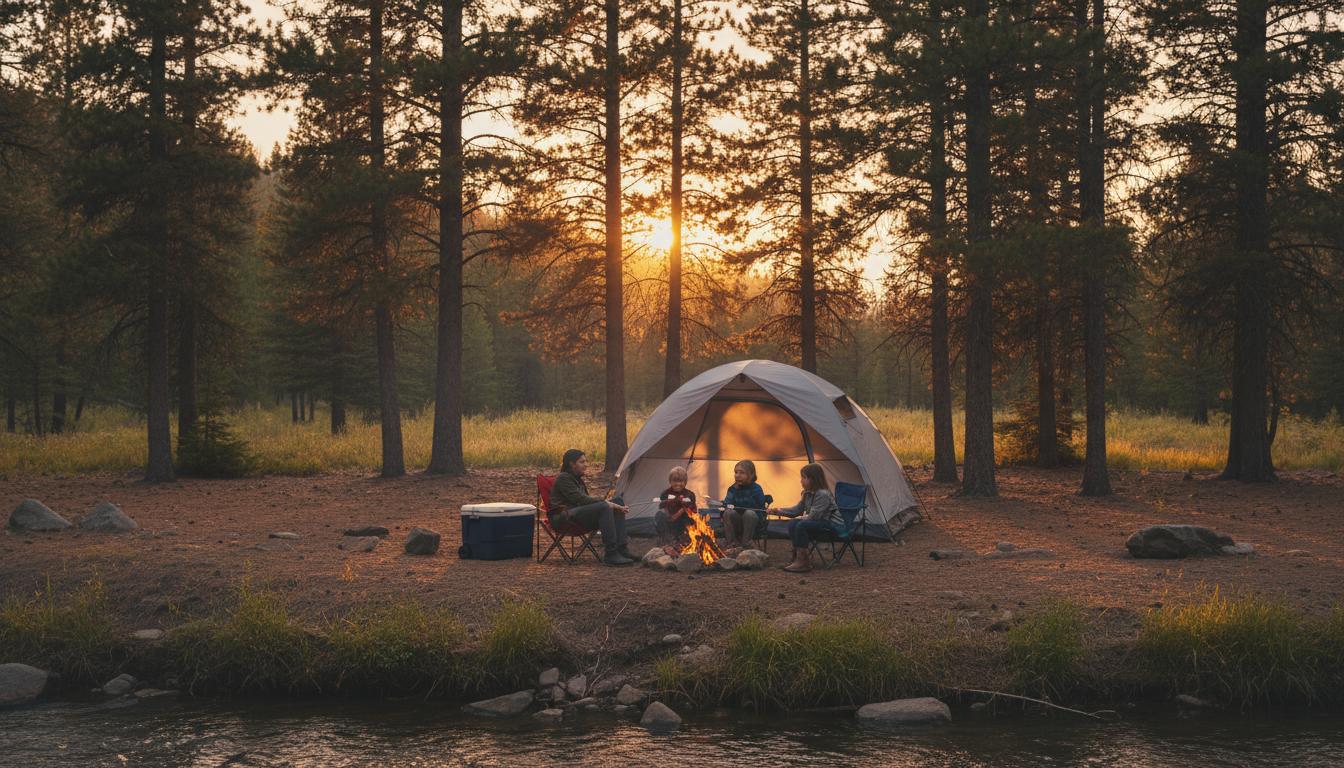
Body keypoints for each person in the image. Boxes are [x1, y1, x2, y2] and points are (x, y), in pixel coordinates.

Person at [549, 448, 634, 566]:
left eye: (585, 461)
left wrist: (611, 504)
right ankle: (611, 554)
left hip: (576, 515)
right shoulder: (564, 478)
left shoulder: (576, 479)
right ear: (572, 464)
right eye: (582, 462)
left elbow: (586, 502)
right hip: (564, 518)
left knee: (618, 501)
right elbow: (581, 500)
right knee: (604, 507)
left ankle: (622, 549)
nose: (586, 465)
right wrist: (607, 503)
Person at [768, 463, 838, 573]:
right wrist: (778, 511)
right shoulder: (807, 493)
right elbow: (796, 510)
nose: (801, 480)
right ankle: (798, 558)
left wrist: (801, 519)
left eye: (804, 477)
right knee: (792, 523)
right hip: (816, 523)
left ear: (813, 479)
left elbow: (815, 516)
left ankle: (803, 561)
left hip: (830, 526)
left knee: (801, 524)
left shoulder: (822, 494)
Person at [721, 460, 767, 554]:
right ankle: (732, 544)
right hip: (737, 521)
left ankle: (746, 543)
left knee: (749, 513)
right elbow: (727, 504)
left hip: (753, 522)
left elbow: (759, 508)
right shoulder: (732, 489)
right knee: (728, 512)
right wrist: (725, 505)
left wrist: (741, 505)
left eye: (742, 473)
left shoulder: (756, 489)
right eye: (736, 472)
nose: (737, 475)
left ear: (750, 475)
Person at [654, 466, 697, 555]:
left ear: (685, 482)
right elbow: (663, 507)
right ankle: (668, 543)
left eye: (681, 481)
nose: (678, 484)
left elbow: (689, 509)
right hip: (670, 522)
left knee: (689, 516)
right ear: (670, 481)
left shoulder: (690, 494)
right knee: (660, 514)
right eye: (675, 481)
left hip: (684, 522)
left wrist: (676, 515)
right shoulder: (665, 494)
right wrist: (670, 516)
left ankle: (685, 542)